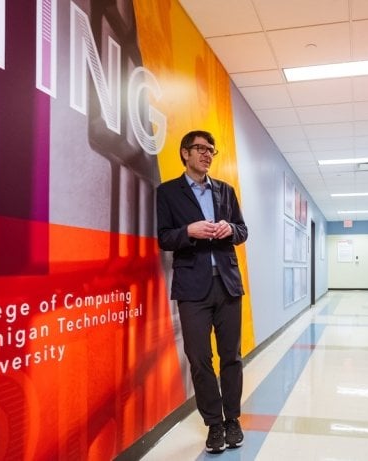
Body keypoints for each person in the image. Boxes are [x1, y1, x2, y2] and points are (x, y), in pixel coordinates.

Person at [155, 130, 248, 454]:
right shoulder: (167, 192)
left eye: (211, 150)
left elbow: (242, 230)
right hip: (192, 287)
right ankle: (214, 424)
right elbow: (165, 238)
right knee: (198, 358)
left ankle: (232, 418)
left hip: (227, 284)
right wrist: (188, 231)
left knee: (231, 357)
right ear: (185, 153)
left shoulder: (225, 190)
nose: (207, 154)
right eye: (201, 149)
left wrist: (230, 229)